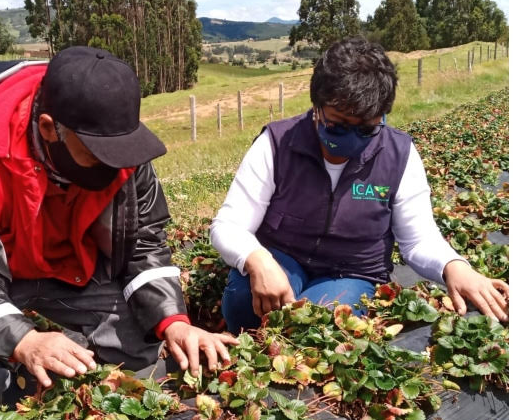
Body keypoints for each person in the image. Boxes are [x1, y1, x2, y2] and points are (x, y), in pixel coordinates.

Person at [0, 46, 237, 407]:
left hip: (70, 272)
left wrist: (174, 321)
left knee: (139, 339)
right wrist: (24, 341)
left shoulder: (115, 140)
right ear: (49, 128)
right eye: (97, 156)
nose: (115, 169)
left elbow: (144, 240)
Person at [210, 36, 509, 335]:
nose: (350, 137)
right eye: (337, 124)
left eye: (366, 128)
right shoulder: (277, 143)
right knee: (243, 303)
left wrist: (454, 267)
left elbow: (418, 240)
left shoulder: (398, 154)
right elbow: (228, 225)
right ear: (317, 107)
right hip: (282, 257)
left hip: (351, 271)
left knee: (318, 325)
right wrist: (258, 259)